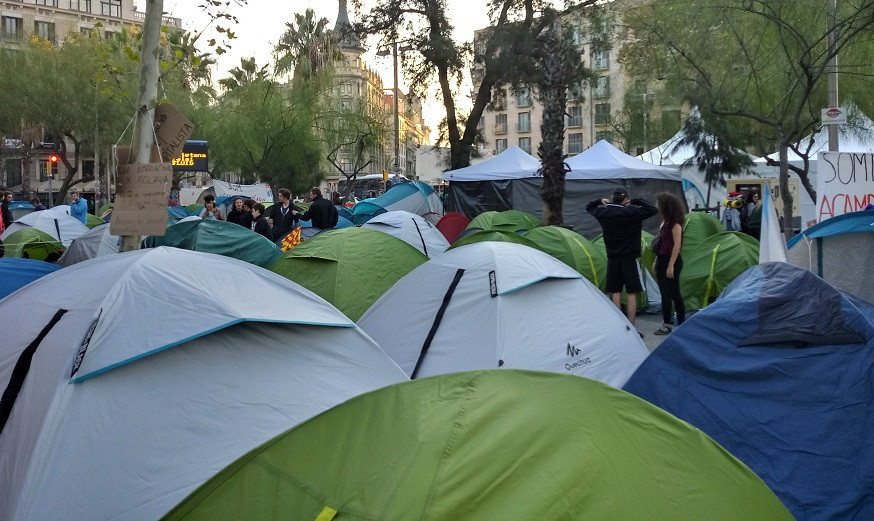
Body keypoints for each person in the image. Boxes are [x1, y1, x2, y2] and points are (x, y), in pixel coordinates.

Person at [586, 187, 658, 332]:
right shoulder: (632, 212)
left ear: (612, 198)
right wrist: (635, 201)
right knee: (632, 293)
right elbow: (653, 209)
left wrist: (600, 201)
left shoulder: (603, 212)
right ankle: (631, 327)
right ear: (626, 199)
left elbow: (589, 206)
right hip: (630, 258)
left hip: (612, 258)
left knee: (616, 292)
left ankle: (619, 327)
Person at [652, 192, 686, 336]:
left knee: (674, 293)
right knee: (664, 294)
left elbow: (676, 246)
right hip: (662, 259)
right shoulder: (664, 222)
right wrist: (656, 261)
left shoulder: (676, 225)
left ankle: (683, 323)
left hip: (672, 260)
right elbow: (661, 243)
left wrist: (671, 265)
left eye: (658, 203)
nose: (656, 205)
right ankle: (666, 323)